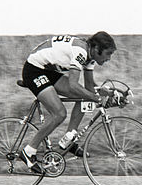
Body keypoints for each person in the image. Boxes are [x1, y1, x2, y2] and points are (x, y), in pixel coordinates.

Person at [19, 31, 117, 173]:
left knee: (84, 97)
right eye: (108, 53)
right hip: (34, 71)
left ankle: (69, 139)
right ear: (97, 49)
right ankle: (28, 151)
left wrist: (106, 92)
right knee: (59, 114)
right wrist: (97, 98)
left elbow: (90, 87)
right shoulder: (81, 52)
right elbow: (73, 85)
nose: (109, 58)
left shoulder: (90, 57)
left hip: (48, 71)